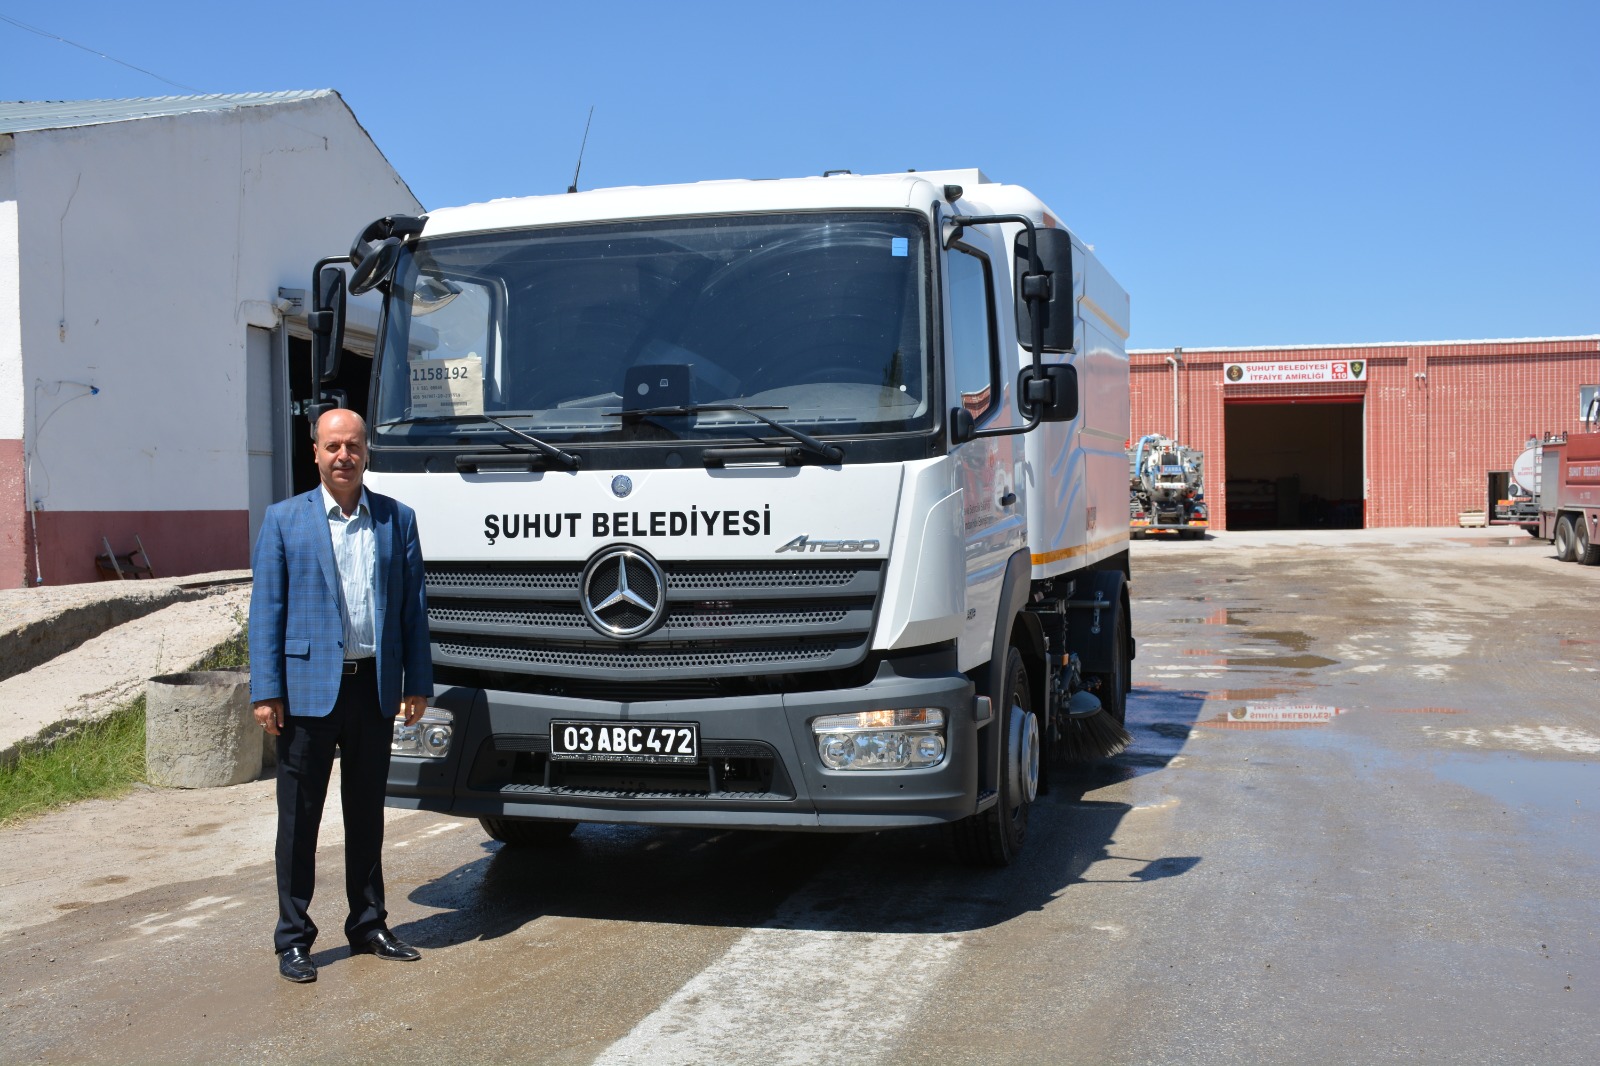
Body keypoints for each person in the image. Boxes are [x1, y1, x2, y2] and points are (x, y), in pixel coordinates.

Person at [249, 408, 433, 983]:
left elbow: (413, 609)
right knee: (299, 821)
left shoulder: (396, 520)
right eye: (333, 446)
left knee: (366, 814)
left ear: (366, 452)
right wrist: (267, 690)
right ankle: (293, 938)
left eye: (353, 446)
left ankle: (369, 924)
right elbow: (266, 611)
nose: (344, 456)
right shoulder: (284, 520)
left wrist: (417, 682)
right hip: (306, 692)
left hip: (373, 687)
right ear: (315, 453)